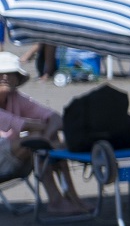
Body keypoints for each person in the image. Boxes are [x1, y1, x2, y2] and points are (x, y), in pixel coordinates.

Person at [0, 52, 88, 215]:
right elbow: (22, 124)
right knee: (37, 141)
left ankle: (71, 196)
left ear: (16, 79)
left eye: (10, 73)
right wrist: (46, 136)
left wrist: (47, 137)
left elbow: (55, 117)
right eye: (1, 73)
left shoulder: (16, 98)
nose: (5, 77)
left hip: (15, 158)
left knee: (42, 141)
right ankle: (56, 201)